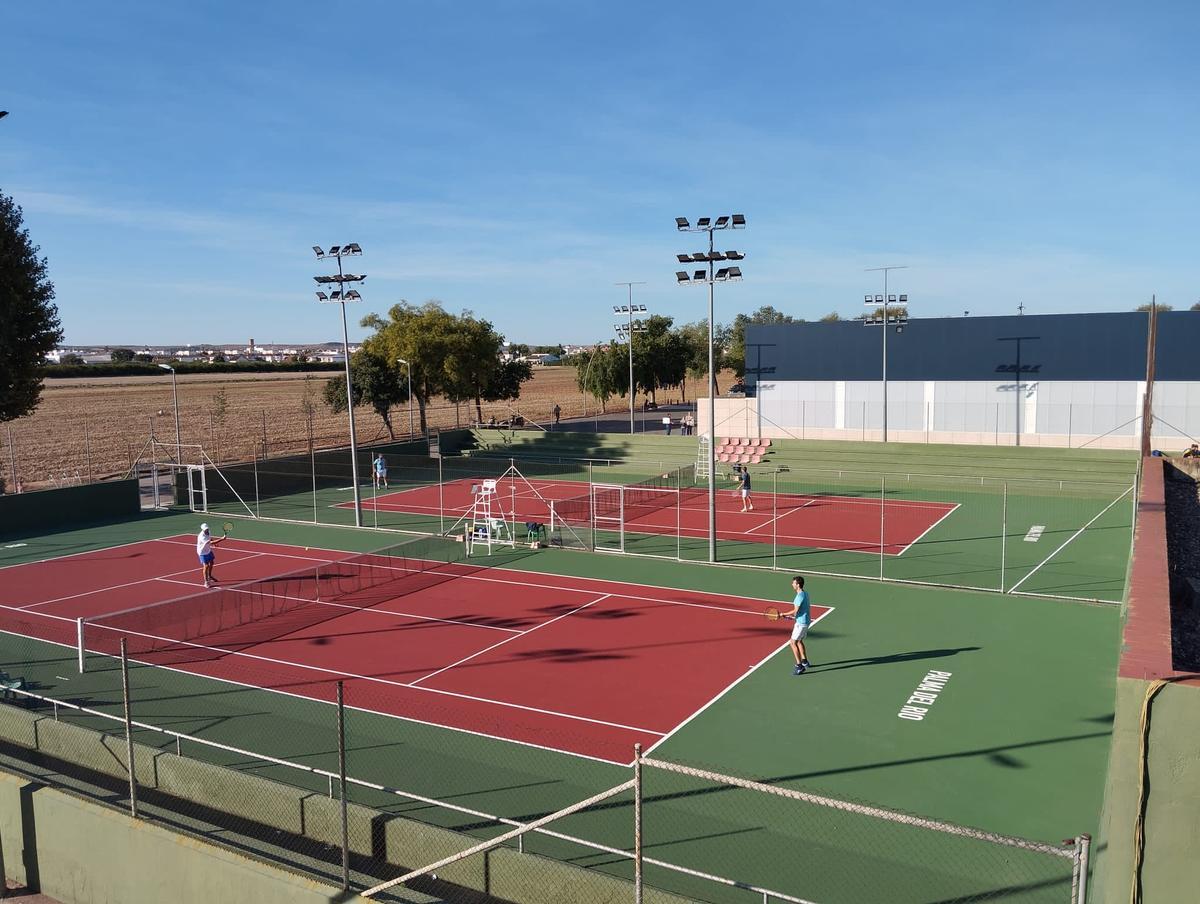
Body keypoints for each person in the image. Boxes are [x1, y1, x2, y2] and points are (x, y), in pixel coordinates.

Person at [783, 575, 812, 675]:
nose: (792, 584)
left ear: (798, 585)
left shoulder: (798, 597)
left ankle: (799, 666)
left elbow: (795, 611)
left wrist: (783, 614)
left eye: (793, 583)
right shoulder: (805, 593)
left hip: (801, 624)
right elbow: (802, 610)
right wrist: (792, 617)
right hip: (806, 622)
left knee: (792, 642)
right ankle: (805, 661)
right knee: (799, 641)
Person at [196, 523, 226, 588]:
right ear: (202, 530)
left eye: (207, 529)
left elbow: (210, 538)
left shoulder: (208, 531)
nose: (206, 530)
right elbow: (211, 542)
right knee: (206, 566)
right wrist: (221, 539)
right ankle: (206, 582)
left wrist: (214, 544)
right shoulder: (201, 536)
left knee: (212, 562)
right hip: (202, 552)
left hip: (208, 550)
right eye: (205, 529)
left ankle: (209, 576)